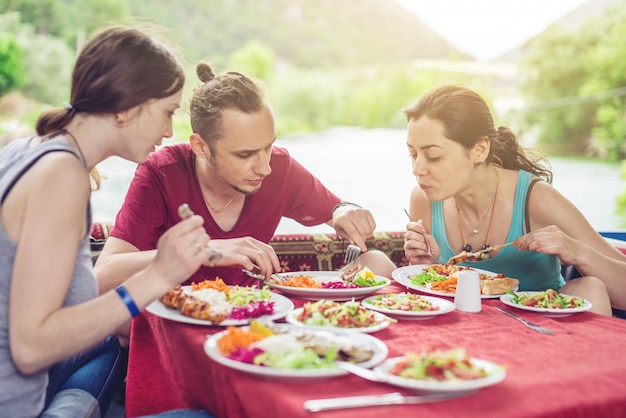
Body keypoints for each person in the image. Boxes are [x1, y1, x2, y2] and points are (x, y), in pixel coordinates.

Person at [0, 25, 215, 418]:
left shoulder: (29, 149)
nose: (169, 132)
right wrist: (156, 276)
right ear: (126, 106)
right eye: (166, 112)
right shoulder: (62, 176)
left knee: (122, 336)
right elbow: (31, 350)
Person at [94, 63, 394, 292]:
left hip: (253, 318)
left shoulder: (280, 167)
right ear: (200, 146)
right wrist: (205, 251)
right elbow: (103, 275)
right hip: (174, 319)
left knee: (377, 261)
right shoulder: (160, 173)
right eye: (244, 155)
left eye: (268, 146)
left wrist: (345, 211)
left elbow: (336, 209)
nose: (264, 167)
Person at [401, 84, 624, 316]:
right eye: (413, 154)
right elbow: (425, 299)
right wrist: (425, 265)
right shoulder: (424, 198)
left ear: (479, 150)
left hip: (543, 334)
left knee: (591, 288)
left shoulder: (536, 199)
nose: (418, 169)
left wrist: (577, 252)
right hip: (463, 332)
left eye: (433, 157)